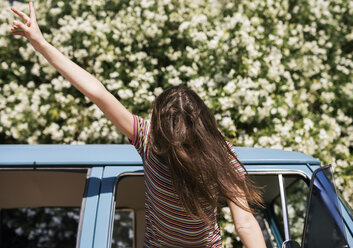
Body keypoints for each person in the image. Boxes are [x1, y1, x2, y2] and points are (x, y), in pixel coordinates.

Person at [10, 2, 267, 247]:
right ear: (203, 122)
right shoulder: (220, 154)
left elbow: (96, 92)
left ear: (159, 123)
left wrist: (41, 44)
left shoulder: (149, 139)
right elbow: (244, 223)